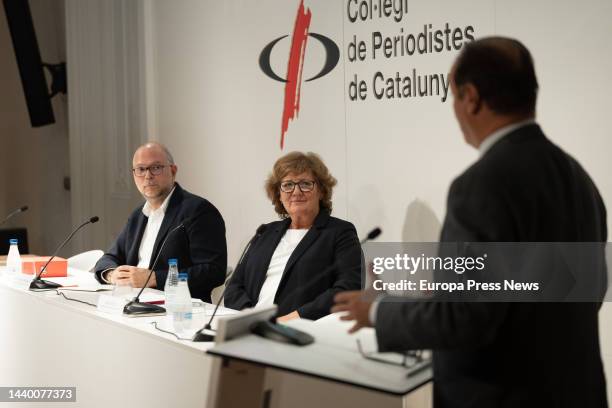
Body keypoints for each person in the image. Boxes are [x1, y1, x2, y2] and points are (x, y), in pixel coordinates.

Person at [333, 37, 608, 407]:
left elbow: (466, 318)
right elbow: (578, 293)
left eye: (452, 98)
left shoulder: (481, 184)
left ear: (471, 97)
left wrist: (378, 309)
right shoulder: (579, 178)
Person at [224, 152, 362, 321]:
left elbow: (347, 288)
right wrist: (250, 318)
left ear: (321, 191)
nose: (296, 191)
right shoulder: (265, 232)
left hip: (299, 331)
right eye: (288, 185)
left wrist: (292, 319)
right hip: (251, 329)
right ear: (279, 195)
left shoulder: (339, 232)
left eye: (305, 184)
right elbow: (234, 286)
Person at [94, 142, 227, 303]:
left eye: (156, 168)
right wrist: (112, 274)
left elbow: (213, 272)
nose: (148, 176)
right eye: (141, 169)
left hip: (178, 309)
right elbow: (109, 258)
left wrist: (154, 278)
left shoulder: (198, 211)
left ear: (173, 171)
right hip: (132, 303)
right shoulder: (138, 215)